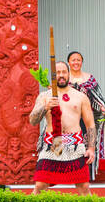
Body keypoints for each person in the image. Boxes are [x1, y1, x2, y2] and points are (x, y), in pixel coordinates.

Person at [28, 61, 95, 195]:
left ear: (69, 74)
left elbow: (90, 124)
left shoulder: (80, 96)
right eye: (57, 73)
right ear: (53, 76)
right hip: (52, 144)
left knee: (84, 186)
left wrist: (91, 148)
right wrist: (45, 107)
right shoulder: (44, 96)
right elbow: (32, 120)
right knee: (41, 184)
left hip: (74, 145)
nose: (61, 75)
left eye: (64, 72)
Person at [65, 50, 105, 181]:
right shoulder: (64, 78)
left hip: (87, 119)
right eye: (73, 60)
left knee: (87, 144)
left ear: (82, 62)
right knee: (70, 144)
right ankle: (68, 174)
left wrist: (102, 107)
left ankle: (86, 175)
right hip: (69, 119)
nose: (76, 62)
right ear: (68, 62)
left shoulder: (89, 78)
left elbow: (97, 98)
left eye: (78, 60)